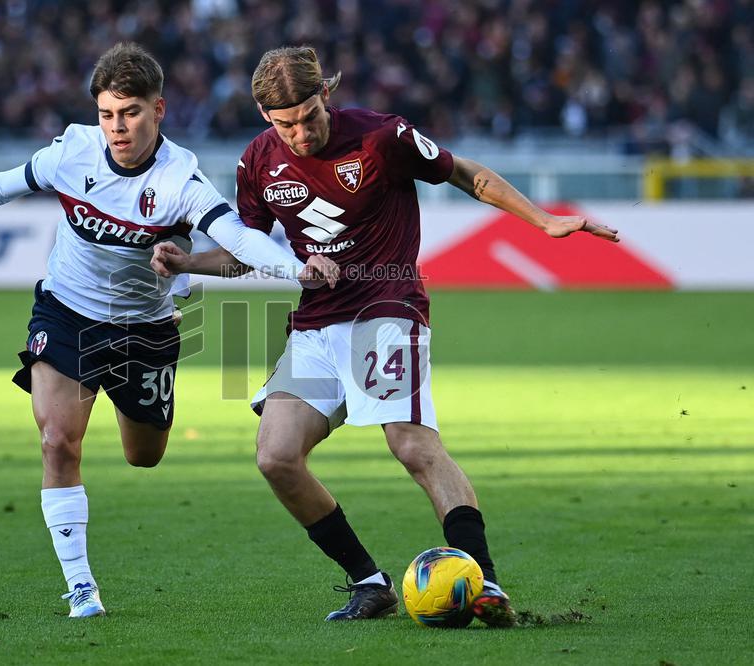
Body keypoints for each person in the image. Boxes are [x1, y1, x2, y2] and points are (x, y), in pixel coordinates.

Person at [151, 45, 619, 626]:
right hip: (316, 325)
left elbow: (465, 172)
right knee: (276, 456)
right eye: (284, 124)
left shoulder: (382, 138)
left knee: (412, 444)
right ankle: (369, 583)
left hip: (387, 308)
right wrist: (188, 262)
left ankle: (484, 580)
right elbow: (251, 253)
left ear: (326, 94)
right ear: (265, 117)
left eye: (308, 117)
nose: (299, 133)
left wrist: (545, 221)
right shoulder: (257, 163)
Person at [0, 42, 336, 618]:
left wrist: (295, 270)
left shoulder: (181, 181)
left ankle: (127, 400)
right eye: (107, 114)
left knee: (145, 455)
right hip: (67, 311)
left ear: (158, 110)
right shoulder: (73, 152)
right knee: (57, 441)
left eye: (131, 113)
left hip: (145, 328)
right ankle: (81, 587)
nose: (117, 128)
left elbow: (237, 237)